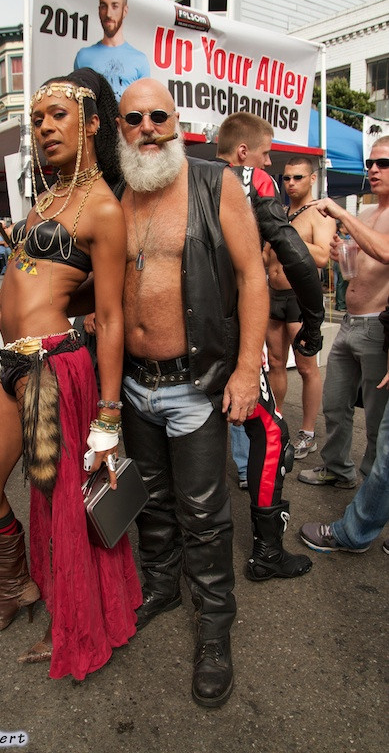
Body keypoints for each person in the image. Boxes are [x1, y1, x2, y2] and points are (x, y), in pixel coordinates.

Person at [0, 68, 142, 682]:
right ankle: (18, 588)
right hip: (14, 364)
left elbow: (113, 316)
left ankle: (74, 622)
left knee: (62, 512)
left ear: (92, 124)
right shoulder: (46, 196)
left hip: (54, 369)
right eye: (38, 120)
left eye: (57, 116)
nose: (44, 128)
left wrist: (109, 418)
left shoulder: (103, 208)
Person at [113, 80, 269, 708]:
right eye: (134, 118)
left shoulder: (214, 184)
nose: (148, 126)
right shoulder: (118, 195)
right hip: (133, 383)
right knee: (150, 501)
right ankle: (159, 587)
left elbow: (253, 274)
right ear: (120, 129)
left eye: (159, 115)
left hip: (196, 383)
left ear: (177, 122)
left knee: (205, 515)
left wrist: (245, 369)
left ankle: (213, 631)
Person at [215, 113, 323, 581]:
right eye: (266, 153)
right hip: (236, 328)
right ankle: (266, 554)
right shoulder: (249, 178)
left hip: (180, 337)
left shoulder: (185, 176)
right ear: (244, 153)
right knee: (272, 434)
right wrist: (315, 319)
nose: (270, 162)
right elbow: (293, 252)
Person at [299, 188, 389, 554]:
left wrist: (339, 212)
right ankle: (338, 469)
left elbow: (383, 252)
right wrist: (340, 256)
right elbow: (360, 263)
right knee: (335, 404)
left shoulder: (359, 216)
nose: (374, 169)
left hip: (379, 327)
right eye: (371, 162)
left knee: (378, 425)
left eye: (383, 162)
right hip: (351, 322)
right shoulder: (367, 212)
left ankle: (373, 493)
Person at [266, 156, 335, 459]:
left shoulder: (320, 214)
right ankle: (277, 422)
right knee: (276, 363)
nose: (291, 183)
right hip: (273, 296)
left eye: (298, 177)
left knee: (307, 367)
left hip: (299, 298)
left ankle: (307, 432)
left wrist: (286, 234)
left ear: (312, 179)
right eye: (287, 178)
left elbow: (322, 258)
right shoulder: (280, 212)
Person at [73, 0, 149, 102]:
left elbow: (144, 104)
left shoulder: (140, 59)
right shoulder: (83, 56)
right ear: (99, 10)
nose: (108, 13)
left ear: (125, 11)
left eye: (115, 6)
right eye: (104, 6)